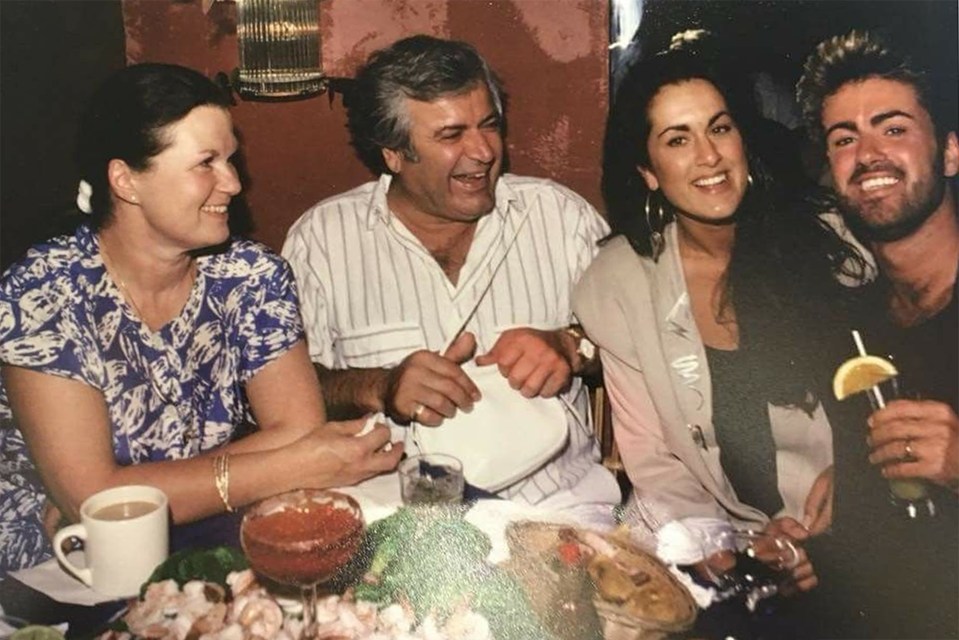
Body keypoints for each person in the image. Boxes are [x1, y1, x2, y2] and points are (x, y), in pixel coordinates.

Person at [0, 63, 403, 578]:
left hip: (202, 534)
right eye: (206, 163)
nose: (233, 183)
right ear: (126, 181)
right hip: (58, 565)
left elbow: (299, 426)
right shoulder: (44, 292)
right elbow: (93, 506)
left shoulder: (251, 275)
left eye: (231, 160)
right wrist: (293, 465)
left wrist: (131, 487)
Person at [572, 46, 869, 598]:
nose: (708, 156)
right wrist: (720, 543)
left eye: (720, 128)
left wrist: (853, 491)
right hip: (723, 537)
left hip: (853, 522)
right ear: (648, 171)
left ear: (743, 141)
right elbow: (654, 461)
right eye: (677, 140)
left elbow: (893, 381)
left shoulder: (834, 241)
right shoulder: (617, 283)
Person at [282, 35, 621, 519]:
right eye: (451, 134)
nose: (483, 151)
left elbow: (649, 353)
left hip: (557, 509)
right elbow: (286, 398)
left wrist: (572, 346)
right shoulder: (322, 239)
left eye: (489, 125)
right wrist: (380, 385)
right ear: (394, 153)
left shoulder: (561, 218)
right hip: (391, 518)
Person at [796, 29, 958, 638]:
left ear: (948, 153)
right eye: (844, 139)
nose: (867, 155)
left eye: (892, 129)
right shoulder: (853, 330)